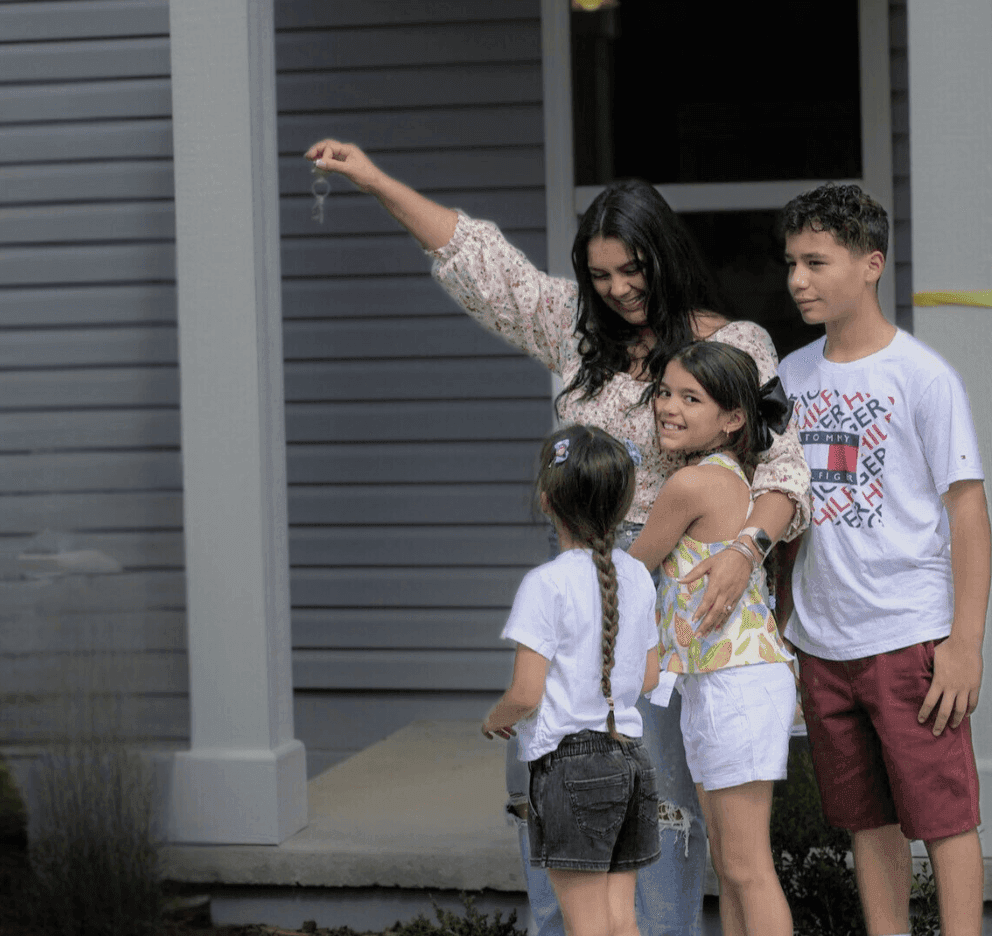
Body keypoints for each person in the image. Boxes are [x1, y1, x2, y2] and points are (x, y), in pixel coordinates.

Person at [305, 138, 811, 936]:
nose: (617, 290)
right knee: (556, 785)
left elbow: (783, 473)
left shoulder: (732, 345)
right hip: (580, 574)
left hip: (675, 586)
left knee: (660, 797)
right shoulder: (576, 330)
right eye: (601, 275)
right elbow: (477, 258)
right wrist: (371, 180)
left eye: (631, 270)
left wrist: (746, 548)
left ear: (665, 255)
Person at [774, 182, 990, 936]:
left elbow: (968, 511)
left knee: (945, 818)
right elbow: (783, 505)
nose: (798, 278)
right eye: (792, 262)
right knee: (867, 822)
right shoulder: (791, 378)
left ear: (871, 264)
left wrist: (963, 645)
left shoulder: (921, 376)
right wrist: (781, 620)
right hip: (824, 642)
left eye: (816, 261)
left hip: (910, 639)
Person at [625, 342, 798, 936]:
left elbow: (629, 569)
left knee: (746, 866)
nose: (669, 407)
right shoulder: (721, 476)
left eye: (689, 398)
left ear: (732, 420)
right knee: (728, 863)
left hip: (737, 683)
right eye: (665, 393)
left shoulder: (694, 485)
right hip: (715, 682)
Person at [482, 425, 663, 936]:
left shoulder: (546, 584)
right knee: (620, 921)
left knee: (583, 925)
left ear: (546, 500)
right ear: (625, 502)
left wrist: (495, 719)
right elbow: (648, 677)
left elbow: (525, 692)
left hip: (570, 766)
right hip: (631, 761)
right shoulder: (636, 576)